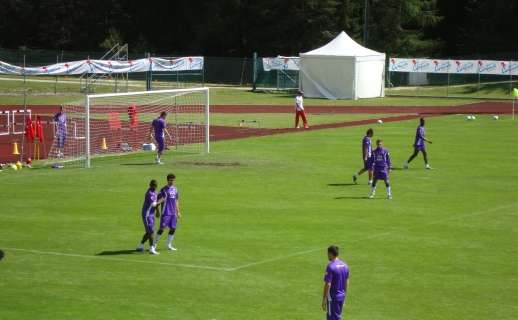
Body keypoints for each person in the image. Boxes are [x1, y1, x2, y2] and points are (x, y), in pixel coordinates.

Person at [154, 173, 181, 251]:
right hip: (165, 212)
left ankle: (168, 244)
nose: (172, 182)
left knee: (173, 228)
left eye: (173, 180)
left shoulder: (175, 189)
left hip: (173, 213)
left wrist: (178, 211)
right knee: (162, 229)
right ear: (167, 180)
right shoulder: (163, 190)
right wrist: (157, 211)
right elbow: (157, 201)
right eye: (170, 180)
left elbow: (176, 201)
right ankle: (154, 245)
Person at [322, 245, 349, 320]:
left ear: (330, 253)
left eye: (328, 254)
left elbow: (328, 284)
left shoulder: (330, 267)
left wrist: (324, 299)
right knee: (337, 317)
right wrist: (344, 296)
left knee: (332, 318)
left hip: (333, 298)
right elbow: (347, 282)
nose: (327, 256)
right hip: (341, 296)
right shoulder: (345, 265)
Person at [136, 179, 160, 255]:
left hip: (152, 214)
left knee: (149, 232)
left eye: (155, 186)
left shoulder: (155, 192)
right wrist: (162, 200)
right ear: (150, 185)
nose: (155, 188)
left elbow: (156, 204)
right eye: (153, 186)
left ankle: (140, 246)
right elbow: (154, 204)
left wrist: (157, 211)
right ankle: (152, 248)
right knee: (151, 231)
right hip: (146, 215)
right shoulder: (149, 193)